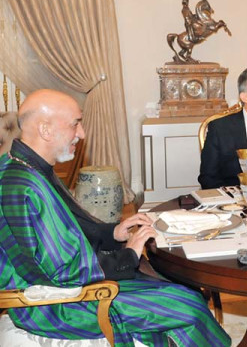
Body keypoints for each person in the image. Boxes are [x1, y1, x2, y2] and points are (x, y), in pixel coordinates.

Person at [0, 89, 230, 347]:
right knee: (188, 306)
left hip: (66, 287)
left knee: (180, 287)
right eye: (75, 124)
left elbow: (70, 229)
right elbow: (63, 272)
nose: (82, 134)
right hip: (57, 305)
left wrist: (112, 233)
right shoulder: (22, 186)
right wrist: (128, 256)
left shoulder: (30, 167)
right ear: (45, 129)